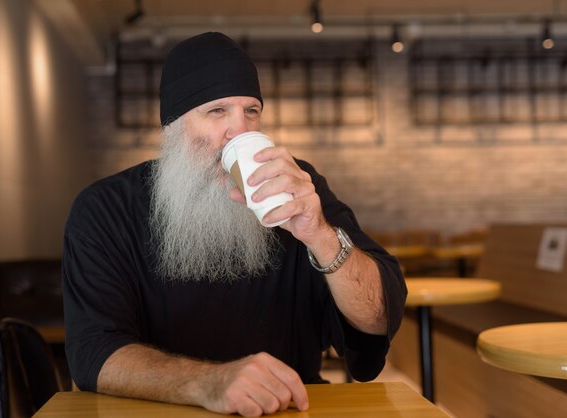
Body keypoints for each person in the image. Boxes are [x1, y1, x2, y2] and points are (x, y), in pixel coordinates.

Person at [63, 32, 406, 417]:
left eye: (251, 111)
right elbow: (94, 352)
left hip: (287, 409)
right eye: (217, 111)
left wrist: (320, 235)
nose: (240, 131)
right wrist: (209, 383)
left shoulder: (298, 188)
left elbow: (378, 319)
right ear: (172, 127)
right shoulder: (104, 209)